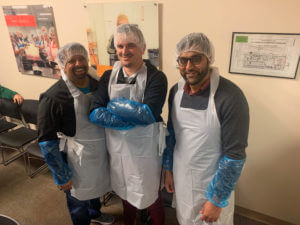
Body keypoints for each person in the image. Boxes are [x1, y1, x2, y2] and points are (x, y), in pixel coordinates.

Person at [163, 33, 249, 225]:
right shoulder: (175, 91)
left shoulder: (230, 96)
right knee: (185, 218)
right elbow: (172, 133)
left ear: (208, 59)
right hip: (182, 176)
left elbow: (235, 156)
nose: (188, 67)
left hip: (212, 182)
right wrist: (168, 168)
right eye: (183, 60)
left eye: (196, 59)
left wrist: (216, 200)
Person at [90, 24, 168, 225]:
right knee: (123, 188)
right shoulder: (108, 76)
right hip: (117, 147)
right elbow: (95, 112)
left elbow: (148, 114)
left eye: (131, 45)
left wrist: (113, 105)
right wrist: (131, 114)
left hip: (145, 149)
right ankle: (129, 221)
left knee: (150, 192)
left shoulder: (156, 77)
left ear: (142, 47)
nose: (124, 51)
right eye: (120, 46)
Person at [37, 43, 114, 225]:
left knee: (95, 187)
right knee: (77, 199)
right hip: (74, 156)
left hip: (99, 150)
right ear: (63, 64)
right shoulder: (53, 97)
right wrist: (61, 174)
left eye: (82, 58)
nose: (79, 63)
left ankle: (95, 213)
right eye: (72, 60)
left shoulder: (97, 85)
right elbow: (46, 141)